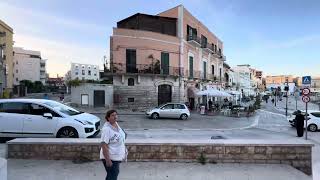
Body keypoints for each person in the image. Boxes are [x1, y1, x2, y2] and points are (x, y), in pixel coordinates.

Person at [100, 110, 127, 180]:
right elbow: (104, 145)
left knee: (111, 175)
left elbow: (120, 135)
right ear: (108, 118)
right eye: (112, 115)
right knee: (113, 175)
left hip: (116, 156)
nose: (115, 117)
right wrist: (108, 160)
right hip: (111, 157)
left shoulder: (115, 124)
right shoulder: (106, 129)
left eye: (116, 115)